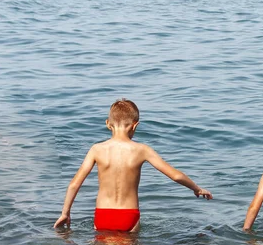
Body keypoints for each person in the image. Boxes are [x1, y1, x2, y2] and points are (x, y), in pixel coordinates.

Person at [54, 99, 212, 232]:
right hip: (129, 215)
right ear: (135, 125)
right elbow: (175, 175)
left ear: (108, 124)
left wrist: (65, 213)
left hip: (103, 215)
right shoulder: (142, 150)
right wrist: (197, 189)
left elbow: (74, 184)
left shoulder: (97, 149)